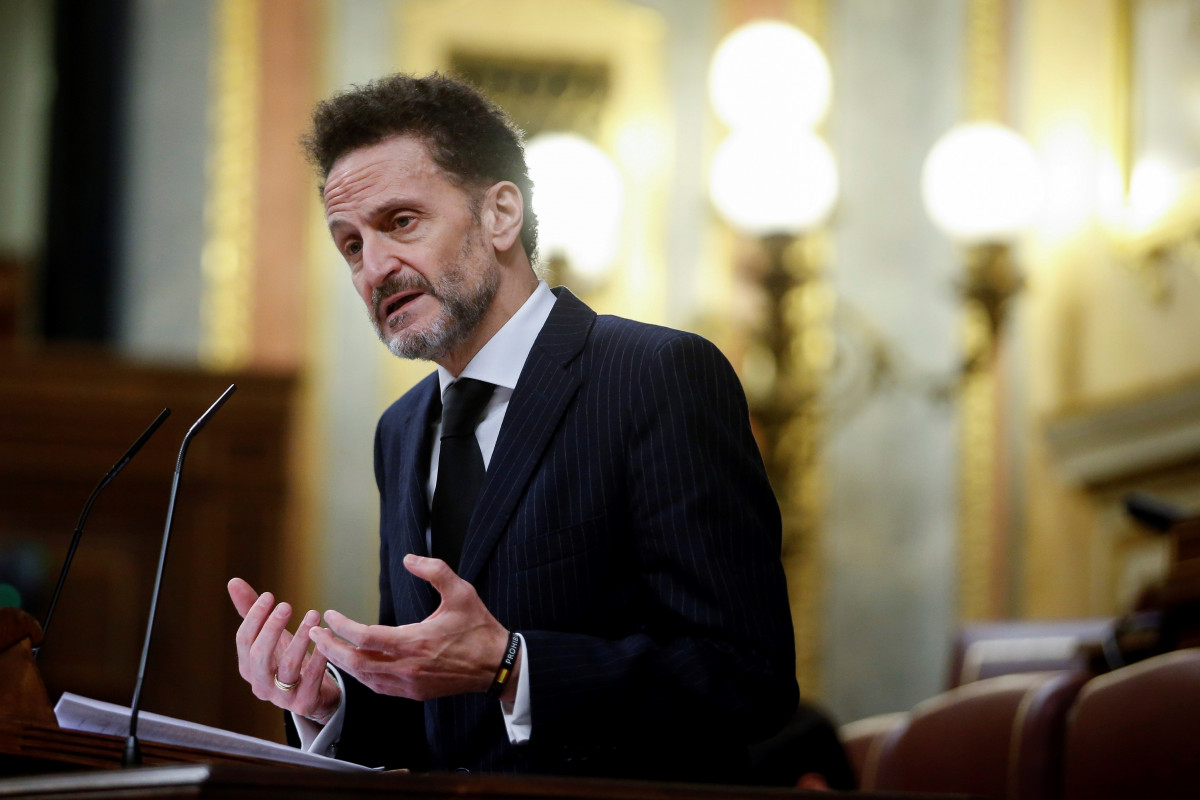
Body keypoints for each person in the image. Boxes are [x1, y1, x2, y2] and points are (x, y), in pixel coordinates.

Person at [228, 72, 798, 783]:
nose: (374, 268)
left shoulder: (655, 376)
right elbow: (438, 718)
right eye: (350, 245)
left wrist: (512, 665)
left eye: (401, 222)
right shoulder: (400, 432)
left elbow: (748, 677)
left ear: (500, 215)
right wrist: (331, 701)